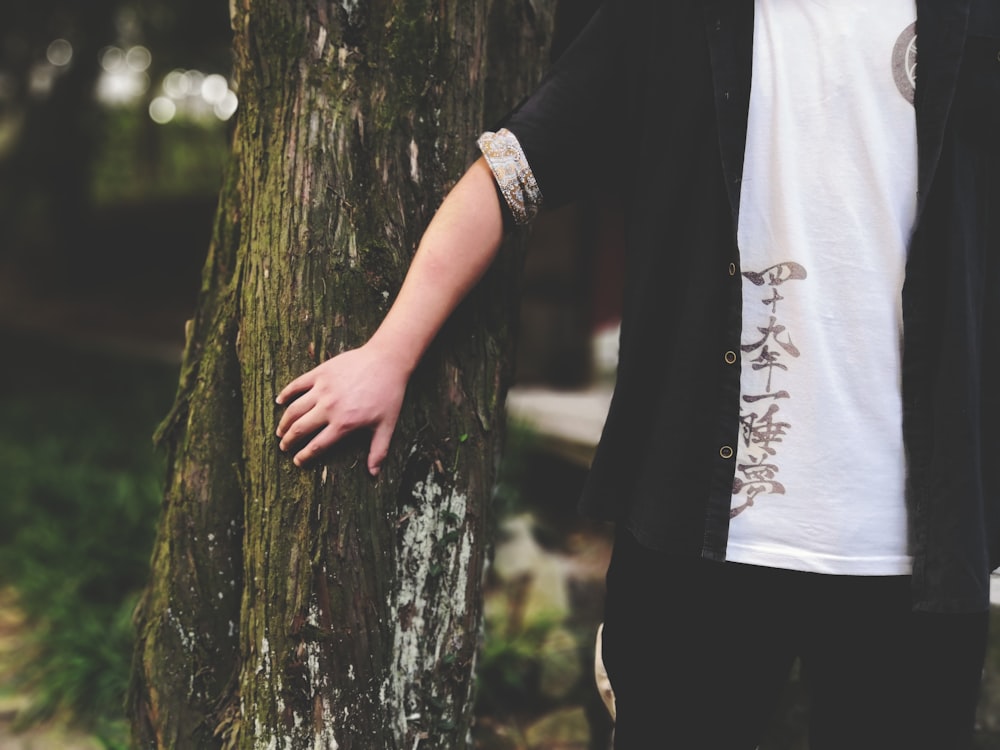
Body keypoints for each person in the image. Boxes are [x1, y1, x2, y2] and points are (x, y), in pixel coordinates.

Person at [276, 0, 999, 747]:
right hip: (695, 538)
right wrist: (388, 354)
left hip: (920, 550)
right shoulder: (677, 18)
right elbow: (510, 170)